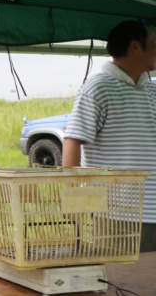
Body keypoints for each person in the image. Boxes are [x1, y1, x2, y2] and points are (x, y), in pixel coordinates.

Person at [63, 20, 156, 252]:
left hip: (152, 209)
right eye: (154, 44)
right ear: (135, 47)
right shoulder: (98, 87)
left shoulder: (151, 89)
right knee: (125, 283)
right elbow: (73, 139)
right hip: (119, 213)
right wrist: (71, 198)